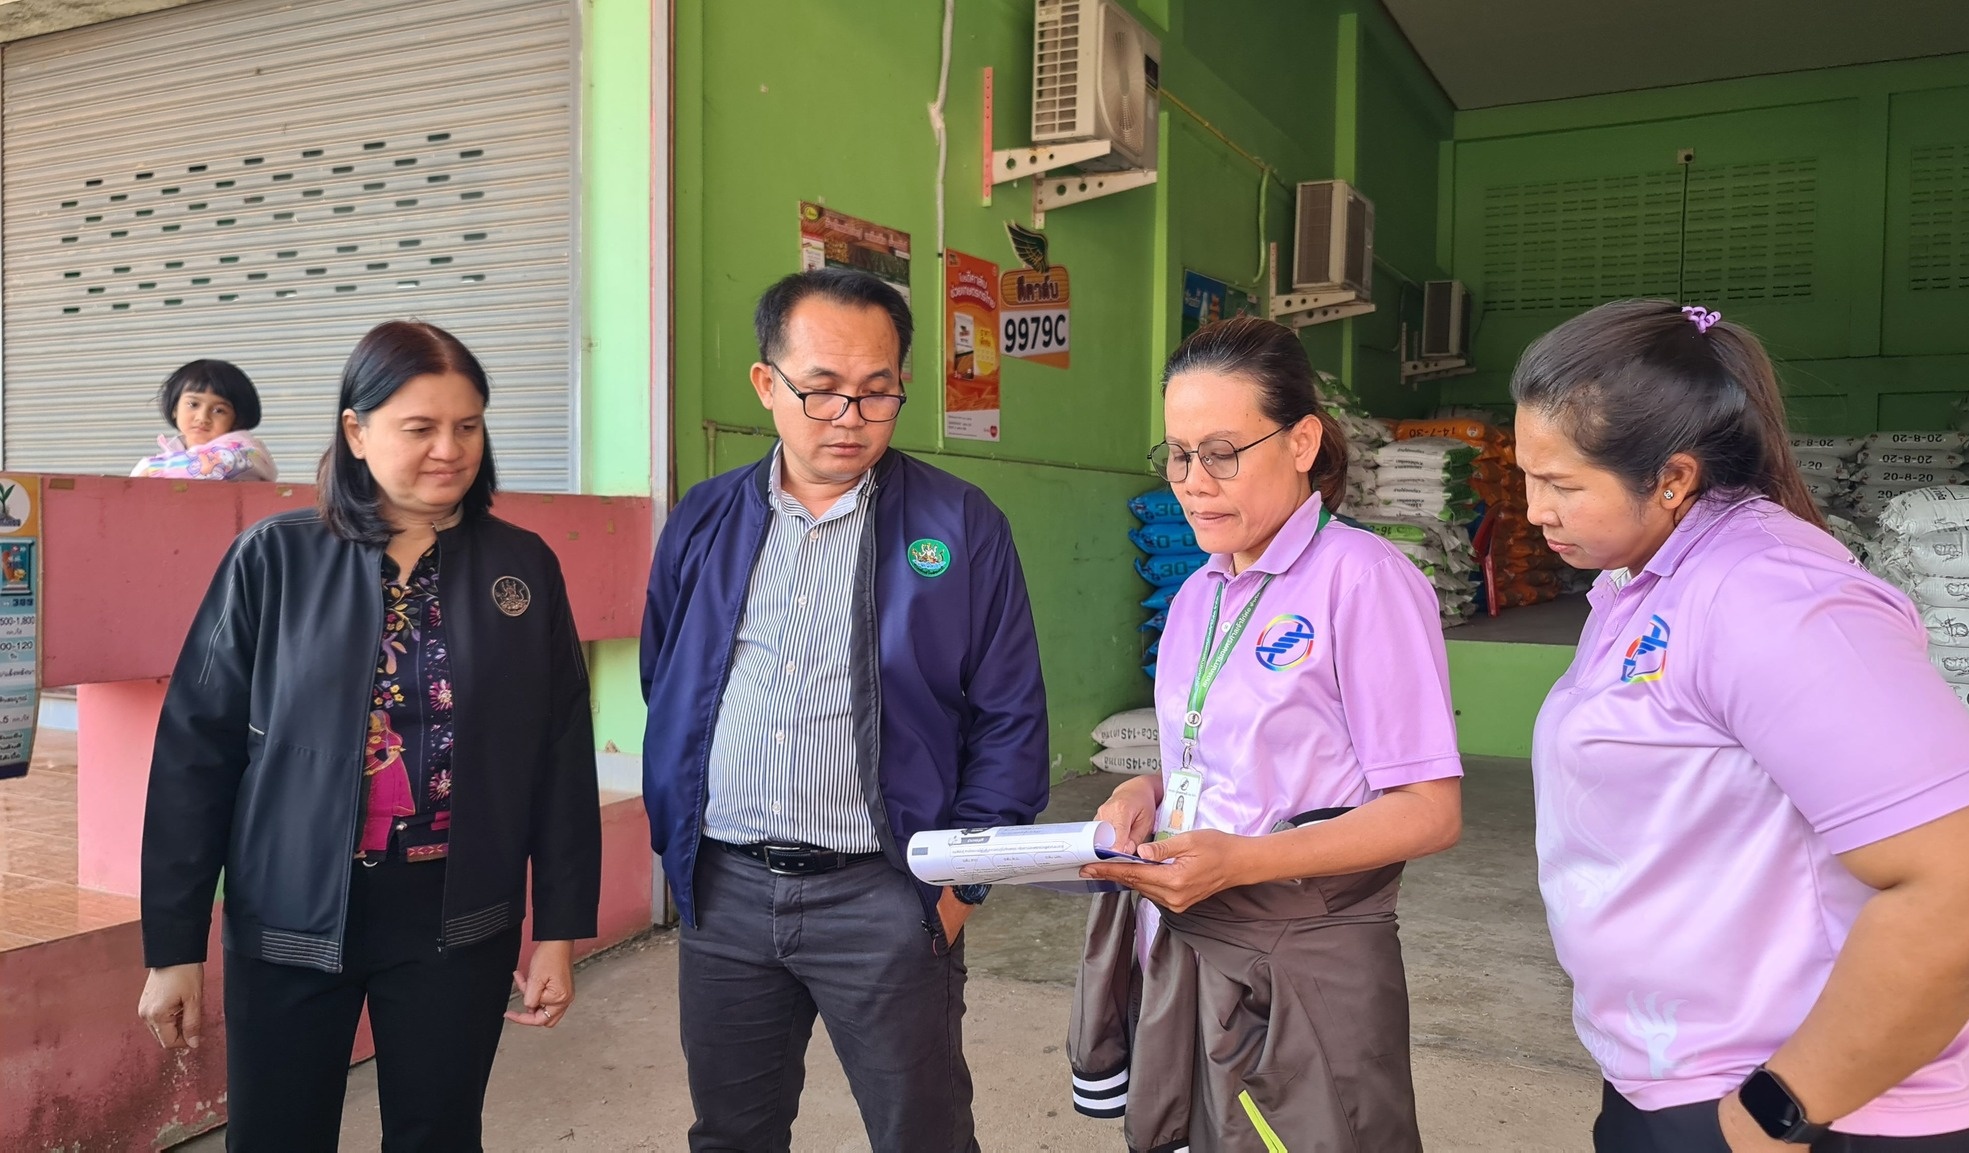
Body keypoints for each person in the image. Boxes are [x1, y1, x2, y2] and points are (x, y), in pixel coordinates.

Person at [1514, 300, 1969, 1152]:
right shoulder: (1644, 583)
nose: (1535, 509)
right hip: (1685, 1075)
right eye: (1528, 475)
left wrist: (1771, 1116)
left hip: (1805, 1110)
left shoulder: (1772, 595)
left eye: (1562, 484)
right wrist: (1933, 968)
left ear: (1673, 478)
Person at [135, 321, 601, 1151]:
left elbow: (560, 754)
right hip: (288, 912)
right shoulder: (274, 558)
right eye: (420, 427)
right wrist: (174, 947)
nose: (449, 449)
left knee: (438, 1134)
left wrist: (559, 930)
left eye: (467, 425)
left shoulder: (522, 566)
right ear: (356, 431)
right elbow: (195, 756)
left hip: (459, 917)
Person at [640, 267, 1050, 1152]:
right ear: (767, 383)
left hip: (886, 896)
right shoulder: (705, 518)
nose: (849, 417)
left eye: (877, 391)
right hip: (726, 891)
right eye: (821, 389)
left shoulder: (960, 523)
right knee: (732, 1134)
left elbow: (1010, 717)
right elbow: (667, 677)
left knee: (923, 1135)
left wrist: (955, 890)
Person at [1072, 316, 1465, 1152]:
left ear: (1302, 442)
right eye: (1179, 454)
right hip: (1185, 939)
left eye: (1222, 452)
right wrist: (1143, 789)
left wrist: (1243, 861)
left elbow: (1429, 810)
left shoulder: (1364, 579)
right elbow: (1224, 761)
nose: (1194, 482)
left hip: (1304, 960)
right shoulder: (1199, 595)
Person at [131, 358, 278, 481]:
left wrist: (154, 468)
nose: (202, 418)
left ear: (237, 419)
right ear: (175, 408)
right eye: (193, 404)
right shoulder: (172, 456)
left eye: (219, 410)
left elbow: (215, 466)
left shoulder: (247, 453)